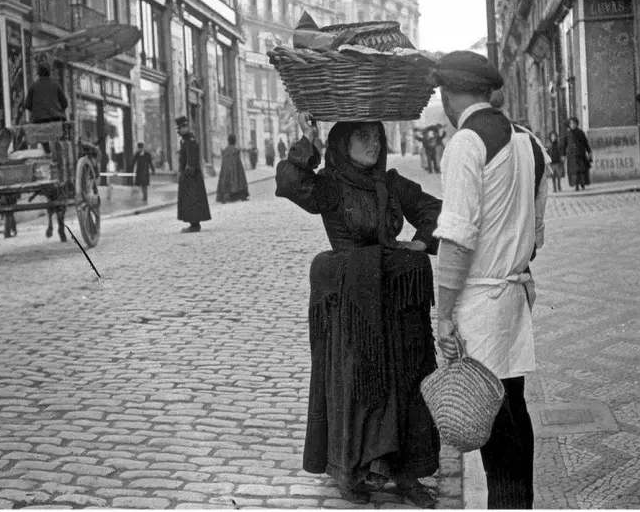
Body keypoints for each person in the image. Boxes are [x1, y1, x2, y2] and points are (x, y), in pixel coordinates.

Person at [276, 112, 442, 507]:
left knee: (403, 384)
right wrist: (308, 139)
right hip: (353, 306)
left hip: (394, 304)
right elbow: (289, 181)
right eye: (363, 136)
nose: (374, 144)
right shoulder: (330, 186)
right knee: (357, 384)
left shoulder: (391, 183)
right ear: (342, 143)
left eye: (377, 136)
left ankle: (405, 474)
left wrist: (420, 243)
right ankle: (351, 471)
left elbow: (434, 210)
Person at [428, 51, 549, 510]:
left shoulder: (466, 143)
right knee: (513, 409)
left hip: (479, 301)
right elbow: (536, 235)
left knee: (495, 426)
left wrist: (444, 315)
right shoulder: (529, 142)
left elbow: (457, 239)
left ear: (448, 95)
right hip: (514, 296)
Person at [23, 61, 69, 241]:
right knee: (59, 148)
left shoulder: (33, 86)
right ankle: (58, 166)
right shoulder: (55, 84)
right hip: (56, 124)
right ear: (49, 72)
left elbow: (27, 105)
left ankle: (47, 163)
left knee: (45, 149)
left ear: (38, 73)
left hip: (39, 126)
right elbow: (65, 103)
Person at [176, 116, 211, 233]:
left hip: (192, 176)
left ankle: (195, 224)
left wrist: (185, 174)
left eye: (179, 128)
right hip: (188, 176)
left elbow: (191, 160)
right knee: (189, 200)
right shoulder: (185, 140)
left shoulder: (190, 140)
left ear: (185, 127)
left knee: (192, 200)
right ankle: (193, 223)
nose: (178, 131)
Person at [216, 134, 250, 203]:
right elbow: (238, 166)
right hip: (234, 171)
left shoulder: (225, 151)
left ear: (228, 141)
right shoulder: (235, 151)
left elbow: (224, 165)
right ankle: (241, 195)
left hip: (226, 172)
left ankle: (224, 197)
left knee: (225, 180)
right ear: (234, 141)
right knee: (240, 177)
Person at [562, 117, 592, 191]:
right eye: (571, 123)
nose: (572, 125)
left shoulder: (580, 133)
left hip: (580, 154)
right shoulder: (567, 134)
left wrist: (589, 152)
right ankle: (576, 186)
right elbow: (564, 145)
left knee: (581, 171)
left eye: (574, 123)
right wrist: (563, 155)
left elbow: (585, 143)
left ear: (576, 124)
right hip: (572, 156)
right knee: (574, 171)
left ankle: (582, 184)